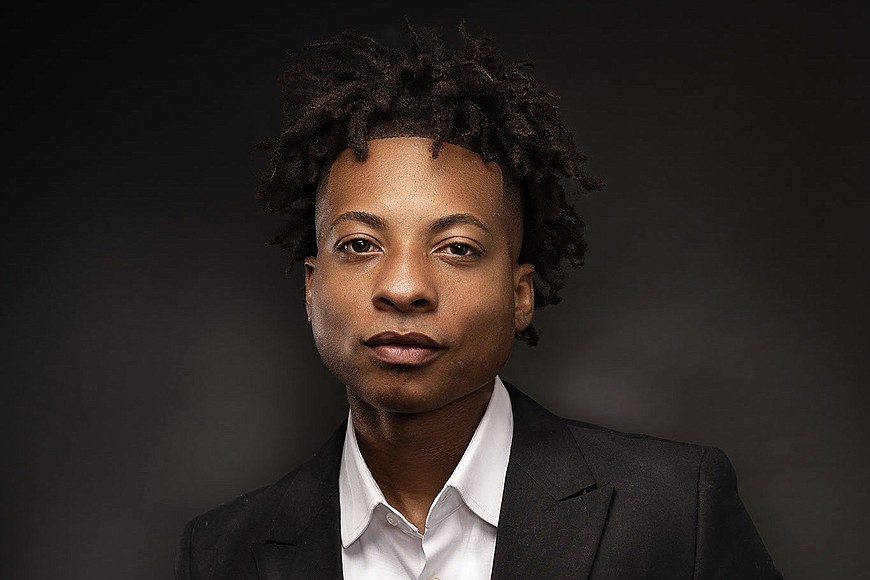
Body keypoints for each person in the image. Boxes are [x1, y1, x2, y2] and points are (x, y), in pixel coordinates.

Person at [175, 21, 781, 579]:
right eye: (360, 244)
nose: (404, 287)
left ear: (520, 295)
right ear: (312, 287)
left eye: (457, 248)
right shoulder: (224, 552)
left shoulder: (675, 511)